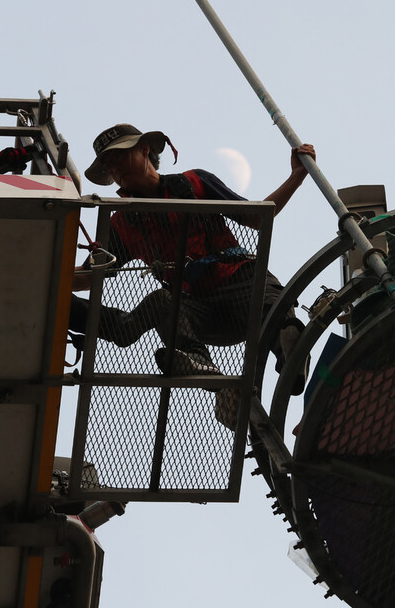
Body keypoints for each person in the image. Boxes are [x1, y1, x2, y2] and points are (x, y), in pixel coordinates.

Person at [71, 123, 314, 427]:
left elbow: (256, 217)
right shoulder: (122, 222)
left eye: (119, 156)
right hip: (201, 309)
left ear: (145, 149)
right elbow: (89, 276)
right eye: (108, 164)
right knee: (162, 302)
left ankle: (290, 353)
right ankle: (200, 363)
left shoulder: (193, 183)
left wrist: (296, 177)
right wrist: (46, 276)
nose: (114, 168)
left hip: (241, 281)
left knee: (273, 309)